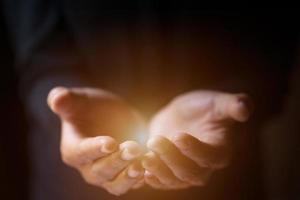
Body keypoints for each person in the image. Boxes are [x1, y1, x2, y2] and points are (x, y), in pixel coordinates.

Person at [2, 1, 299, 200]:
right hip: (69, 185)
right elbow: (38, 56)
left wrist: (239, 97)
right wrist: (64, 103)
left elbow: (272, 47)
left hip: (225, 181)